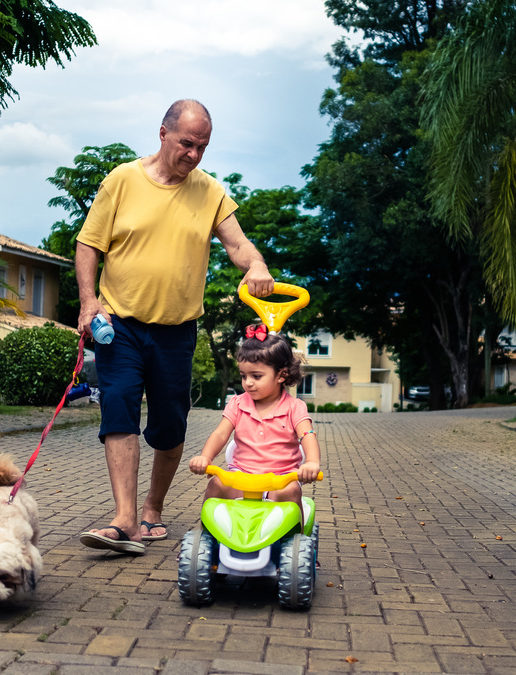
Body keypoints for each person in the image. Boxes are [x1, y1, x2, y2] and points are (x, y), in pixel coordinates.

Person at [74, 99, 274, 555]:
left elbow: (238, 243)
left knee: (170, 426)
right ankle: (124, 520)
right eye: (187, 143)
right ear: (162, 134)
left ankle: (153, 509)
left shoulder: (209, 192)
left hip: (176, 330)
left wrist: (256, 265)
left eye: (202, 146)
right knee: (119, 406)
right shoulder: (122, 180)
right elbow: (88, 245)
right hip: (120, 324)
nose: (194, 155)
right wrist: (89, 302)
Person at [189, 328, 322, 511]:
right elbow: (220, 434)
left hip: (281, 478)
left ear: (281, 375)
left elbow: (307, 435)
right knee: (216, 484)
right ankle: (206, 535)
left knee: (290, 492)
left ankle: (295, 537)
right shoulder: (237, 404)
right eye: (243, 376)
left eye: (256, 376)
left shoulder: (294, 407)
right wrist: (205, 457)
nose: (248, 382)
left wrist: (312, 462)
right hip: (242, 475)